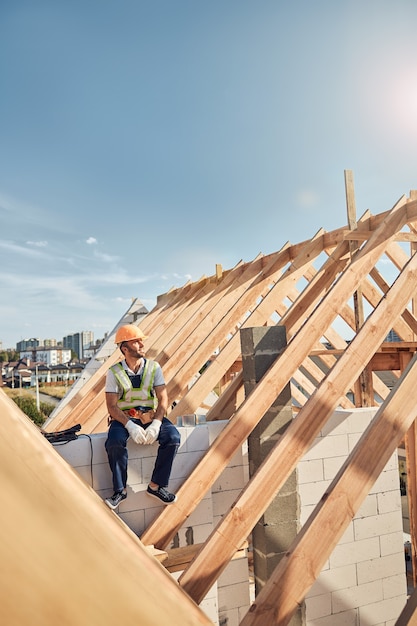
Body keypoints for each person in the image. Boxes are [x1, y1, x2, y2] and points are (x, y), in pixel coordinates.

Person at [104, 324, 180, 509]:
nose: (141, 344)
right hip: (123, 419)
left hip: (149, 415)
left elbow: (163, 399)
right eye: (136, 341)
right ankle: (120, 491)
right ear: (125, 348)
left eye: (141, 341)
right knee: (114, 442)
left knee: (173, 437)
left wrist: (156, 423)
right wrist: (130, 425)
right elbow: (112, 406)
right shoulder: (114, 372)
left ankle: (156, 485)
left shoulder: (154, 368)